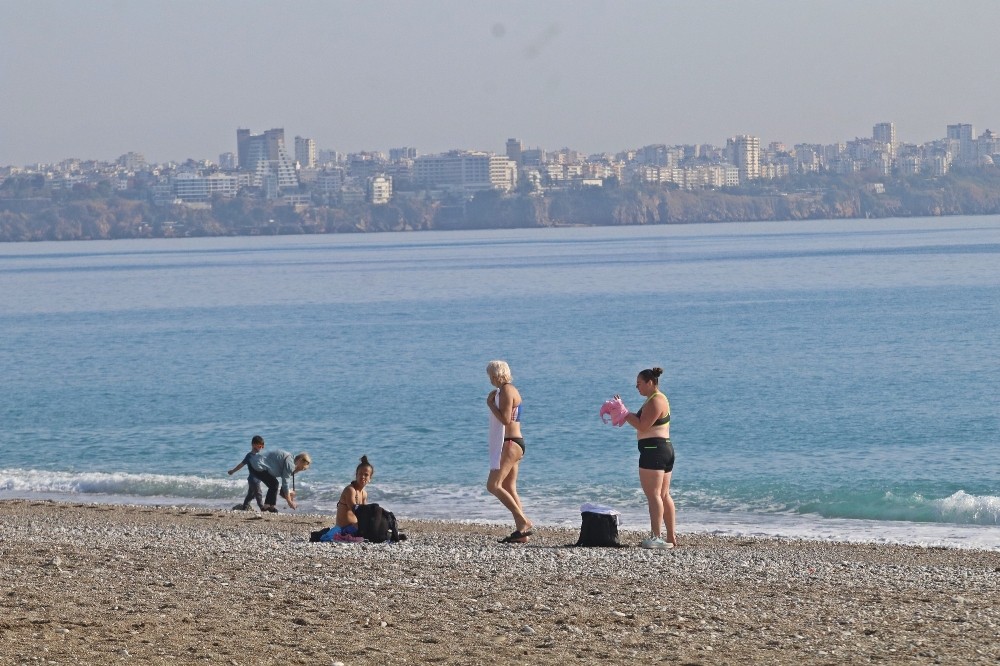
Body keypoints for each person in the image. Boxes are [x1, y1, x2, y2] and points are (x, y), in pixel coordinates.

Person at [618, 367, 677, 549]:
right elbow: (642, 421)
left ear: (650, 382)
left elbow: (643, 426)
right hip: (662, 449)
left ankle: (656, 537)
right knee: (663, 495)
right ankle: (670, 536)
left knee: (654, 495)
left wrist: (624, 413)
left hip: (654, 450)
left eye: (639, 383)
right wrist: (624, 412)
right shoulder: (656, 399)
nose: (637, 387)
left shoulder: (656, 400)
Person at [485, 359, 534, 543]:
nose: (490, 379)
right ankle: (522, 532)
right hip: (515, 443)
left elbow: (505, 420)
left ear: (497, 375)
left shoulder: (506, 390)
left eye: (491, 375)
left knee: (493, 485)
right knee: (508, 487)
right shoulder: (508, 390)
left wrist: (490, 404)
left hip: (511, 443)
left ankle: (523, 520)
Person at [249, 448, 312, 512]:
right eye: (302, 467)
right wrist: (289, 502)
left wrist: (289, 492)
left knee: (274, 484)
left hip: (254, 463)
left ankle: (270, 506)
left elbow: (284, 486)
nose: (300, 469)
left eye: (302, 469)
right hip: (257, 465)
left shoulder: (291, 459)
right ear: (300, 460)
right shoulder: (290, 464)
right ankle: (266, 507)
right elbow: (285, 485)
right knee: (274, 484)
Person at [334, 455, 374, 538]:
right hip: (343, 529)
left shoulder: (364, 493)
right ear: (356, 475)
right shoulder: (350, 490)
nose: (362, 477)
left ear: (370, 478)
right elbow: (355, 509)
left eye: (366, 475)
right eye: (360, 474)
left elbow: (365, 513)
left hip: (354, 527)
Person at [227, 434, 266, 512]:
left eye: (262, 447)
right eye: (260, 446)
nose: (261, 448)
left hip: (256, 480)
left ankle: (244, 508)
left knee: (250, 495)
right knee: (258, 494)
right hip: (253, 480)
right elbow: (241, 465)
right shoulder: (249, 456)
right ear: (253, 445)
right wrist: (233, 471)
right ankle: (262, 508)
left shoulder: (260, 456)